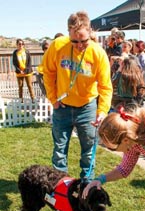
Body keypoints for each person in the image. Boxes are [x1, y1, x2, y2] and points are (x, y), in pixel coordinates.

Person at [43, 11, 112, 179]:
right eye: (74, 41)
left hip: (87, 108)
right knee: (59, 152)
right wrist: (53, 99)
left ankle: (85, 188)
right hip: (63, 107)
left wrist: (102, 112)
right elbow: (48, 72)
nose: (79, 45)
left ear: (90, 32)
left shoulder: (98, 53)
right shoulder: (58, 45)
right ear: (68, 33)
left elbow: (105, 87)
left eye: (84, 41)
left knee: (88, 152)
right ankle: (59, 190)